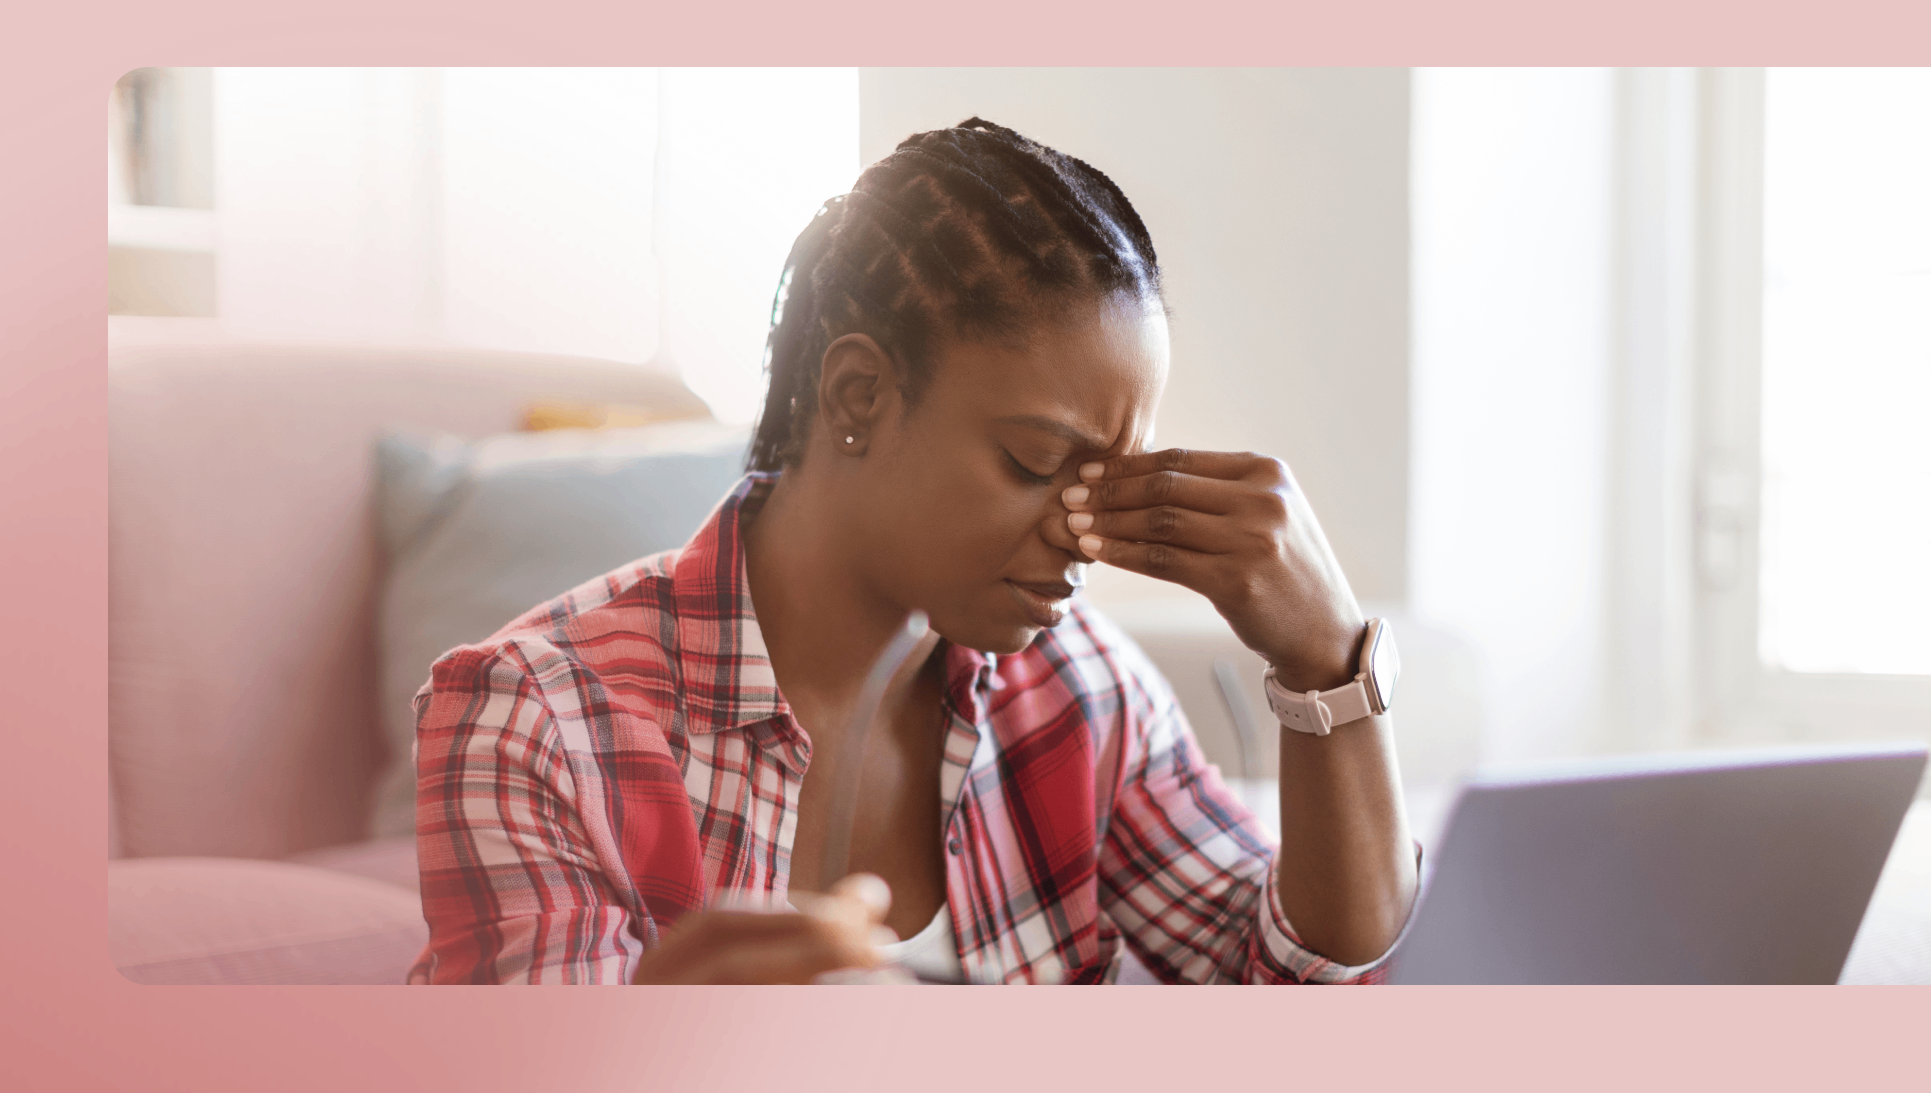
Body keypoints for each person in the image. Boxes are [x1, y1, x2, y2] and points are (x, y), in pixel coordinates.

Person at [406, 119, 1419, 985]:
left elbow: (1298, 981)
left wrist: (1327, 660)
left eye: (1109, 478)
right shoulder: (539, 721)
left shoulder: (1080, 691)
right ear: (858, 397)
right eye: (1034, 461)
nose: (1084, 532)